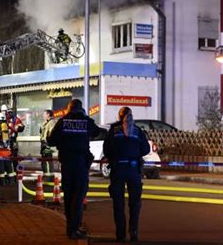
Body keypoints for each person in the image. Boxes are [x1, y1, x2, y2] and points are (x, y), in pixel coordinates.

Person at [47, 99, 100, 240]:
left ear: (69, 109)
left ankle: (70, 228)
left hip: (67, 164)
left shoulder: (62, 122)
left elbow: (51, 140)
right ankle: (74, 229)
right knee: (78, 197)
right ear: (80, 108)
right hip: (81, 165)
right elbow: (97, 132)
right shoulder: (86, 121)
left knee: (69, 197)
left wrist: (64, 141)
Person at [103, 107, 150, 243]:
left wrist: (115, 156)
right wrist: (134, 154)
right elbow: (146, 149)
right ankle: (133, 232)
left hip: (118, 170)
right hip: (133, 170)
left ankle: (120, 235)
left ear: (119, 116)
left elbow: (106, 149)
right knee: (134, 204)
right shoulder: (137, 130)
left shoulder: (113, 131)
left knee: (118, 204)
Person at [39, 109, 55, 182]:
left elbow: (52, 133)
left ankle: (49, 177)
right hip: (44, 143)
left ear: (48, 114)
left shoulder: (51, 123)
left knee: (47, 160)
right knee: (45, 160)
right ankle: (47, 175)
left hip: (47, 143)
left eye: (44, 114)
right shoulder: (46, 123)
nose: (43, 115)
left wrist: (48, 142)